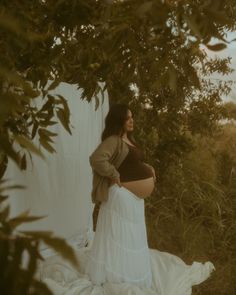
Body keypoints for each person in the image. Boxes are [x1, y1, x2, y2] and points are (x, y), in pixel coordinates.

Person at [84, 103, 215, 292]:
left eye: (132, 117)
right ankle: (117, 274)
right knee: (120, 236)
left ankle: (127, 270)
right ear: (119, 120)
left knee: (131, 236)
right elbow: (96, 159)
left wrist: (147, 168)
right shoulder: (113, 140)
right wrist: (113, 174)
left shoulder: (128, 140)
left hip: (133, 198)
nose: (131, 120)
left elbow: (131, 163)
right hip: (121, 196)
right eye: (128, 118)